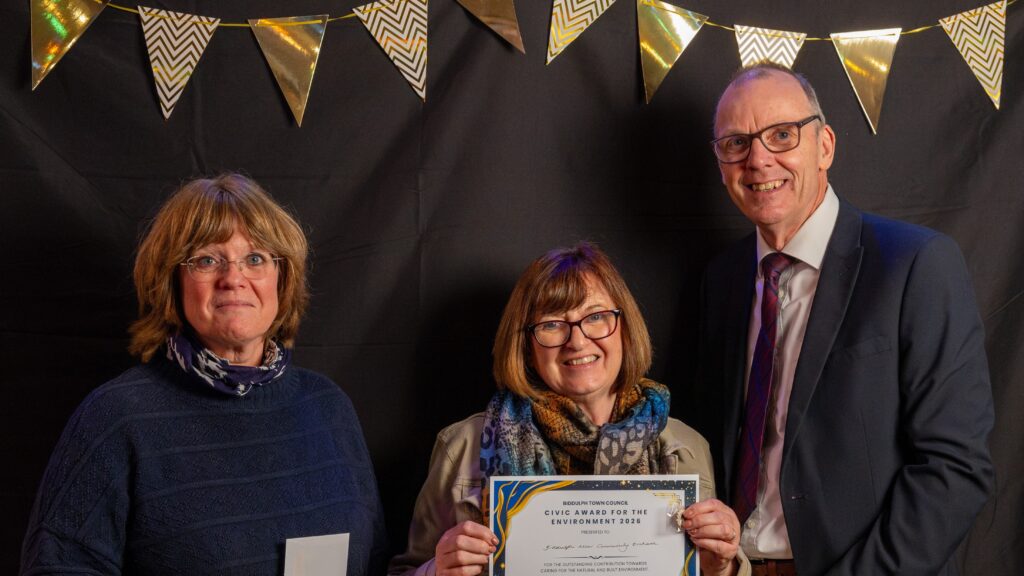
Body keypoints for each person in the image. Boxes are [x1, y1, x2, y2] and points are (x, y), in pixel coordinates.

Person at [697, 63, 994, 576]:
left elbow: (955, 467)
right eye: (736, 143)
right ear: (721, 164)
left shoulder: (915, 264)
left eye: (782, 135)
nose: (759, 159)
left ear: (825, 145)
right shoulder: (721, 281)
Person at [20, 174, 388, 575]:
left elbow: (373, 562)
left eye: (256, 258)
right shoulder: (116, 418)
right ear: (171, 282)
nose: (234, 278)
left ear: (283, 280)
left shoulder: (329, 407)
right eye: (207, 259)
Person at [390, 242, 749, 576]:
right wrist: (436, 570)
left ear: (624, 328)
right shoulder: (464, 446)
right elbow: (405, 571)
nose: (577, 341)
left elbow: (708, 567)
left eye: (595, 317)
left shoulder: (685, 446)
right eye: (552, 324)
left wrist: (723, 565)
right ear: (527, 345)